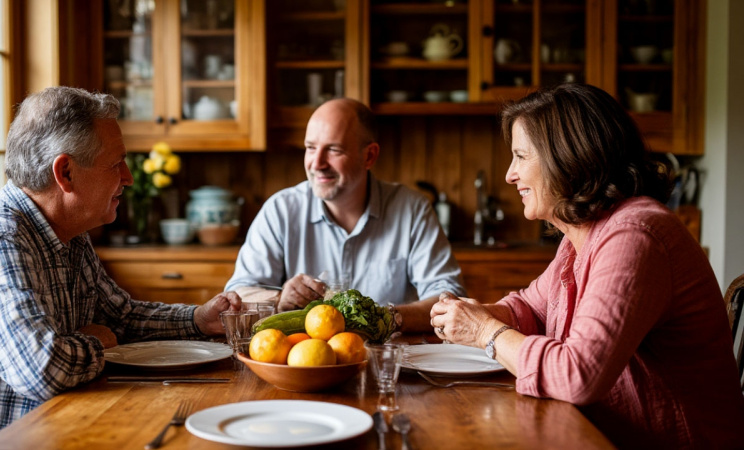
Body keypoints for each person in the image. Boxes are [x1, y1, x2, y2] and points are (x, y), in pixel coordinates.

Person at [0, 87, 242, 450]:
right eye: (115, 163)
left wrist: (199, 319)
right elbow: (41, 369)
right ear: (66, 172)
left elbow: (119, 317)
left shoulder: (68, 230)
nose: (128, 177)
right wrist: (100, 342)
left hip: (64, 429)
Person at [429, 83, 744, 448]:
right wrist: (471, 315)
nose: (509, 175)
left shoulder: (635, 234)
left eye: (520, 156)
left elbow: (577, 376)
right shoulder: (582, 233)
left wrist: (484, 332)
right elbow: (531, 307)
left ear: (567, 157)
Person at [225, 98, 464, 330]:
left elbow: (449, 300)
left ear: (369, 156)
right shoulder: (280, 210)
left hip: (389, 363)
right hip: (303, 361)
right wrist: (279, 301)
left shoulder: (412, 210)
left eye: (333, 150)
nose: (317, 163)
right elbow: (237, 297)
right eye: (310, 148)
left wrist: (381, 319)